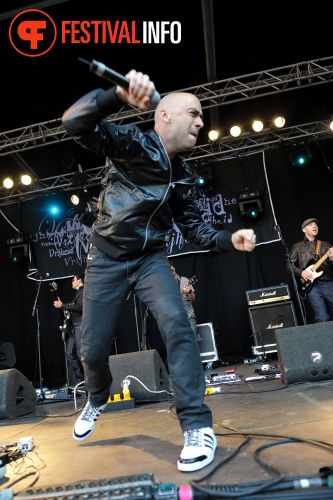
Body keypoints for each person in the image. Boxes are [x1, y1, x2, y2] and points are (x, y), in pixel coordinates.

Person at [62, 69, 256, 472]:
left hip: (150, 259)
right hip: (106, 259)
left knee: (177, 324)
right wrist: (116, 95)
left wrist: (227, 239)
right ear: (164, 116)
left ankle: (196, 426)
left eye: (203, 116)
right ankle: (97, 398)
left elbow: (196, 229)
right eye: (195, 113)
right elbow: (73, 122)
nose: (202, 122)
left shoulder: (184, 174)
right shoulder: (132, 143)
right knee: (91, 350)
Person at [289, 218, 333, 323]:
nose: (315, 226)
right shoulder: (297, 247)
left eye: (316, 225)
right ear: (304, 230)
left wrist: (332, 259)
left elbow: (331, 266)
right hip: (312, 287)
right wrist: (302, 272)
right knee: (321, 317)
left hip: (328, 282)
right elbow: (289, 265)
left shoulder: (326, 244)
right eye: (311, 225)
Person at [54, 274, 85, 384]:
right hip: (73, 327)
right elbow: (74, 308)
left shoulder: (83, 291)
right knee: (69, 353)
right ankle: (81, 378)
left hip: (79, 325)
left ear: (80, 280)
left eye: (73, 280)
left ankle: (89, 379)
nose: (72, 282)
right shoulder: (77, 294)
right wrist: (64, 307)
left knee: (80, 354)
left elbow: (80, 307)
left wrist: (62, 305)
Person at [169, 260, 197, 336]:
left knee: (192, 340)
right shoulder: (166, 285)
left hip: (188, 315)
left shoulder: (184, 280)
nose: (173, 270)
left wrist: (189, 291)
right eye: (171, 270)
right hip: (175, 319)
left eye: (173, 268)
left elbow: (193, 299)